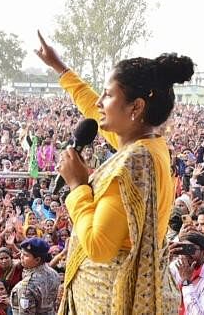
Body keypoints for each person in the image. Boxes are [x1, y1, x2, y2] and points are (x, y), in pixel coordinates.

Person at [35, 31, 192, 313]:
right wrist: (60, 68)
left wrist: (78, 187)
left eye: (107, 95)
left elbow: (99, 247)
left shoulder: (134, 162)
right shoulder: (147, 146)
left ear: (136, 107)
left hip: (110, 301)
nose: (99, 103)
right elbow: (94, 109)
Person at [169, 232, 204, 315]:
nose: (186, 254)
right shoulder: (174, 267)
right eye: (183, 248)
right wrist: (165, 261)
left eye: (190, 249)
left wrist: (186, 283)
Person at [9, 238, 59, 315]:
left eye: (26, 255)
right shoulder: (54, 273)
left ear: (37, 260)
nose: (21, 257)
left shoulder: (26, 287)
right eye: (21, 253)